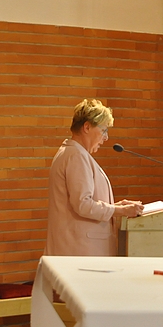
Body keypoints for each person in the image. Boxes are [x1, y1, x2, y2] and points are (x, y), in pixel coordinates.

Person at [46, 99, 143, 256]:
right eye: (103, 130)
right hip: (80, 249)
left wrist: (117, 206)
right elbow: (83, 204)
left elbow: (82, 201)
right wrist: (120, 210)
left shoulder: (73, 153)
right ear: (87, 127)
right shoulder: (76, 156)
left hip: (79, 247)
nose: (106, 138)